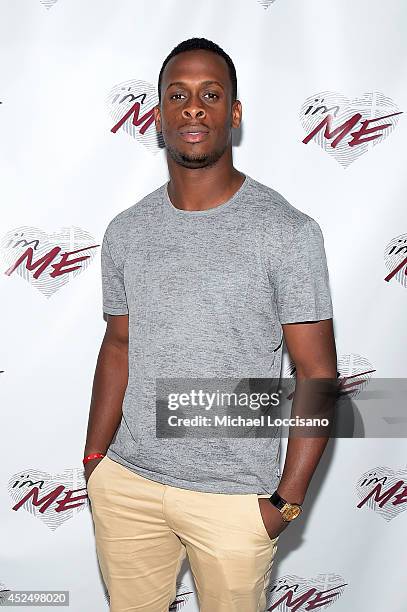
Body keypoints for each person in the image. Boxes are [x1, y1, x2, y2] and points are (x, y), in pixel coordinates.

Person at [83, 37, 337, 612]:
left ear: (234, 113)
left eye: (211, 94)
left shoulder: (288, 233)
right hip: (128, 487)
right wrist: (96, 461)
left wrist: (287, 501)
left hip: (233, 502)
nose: (194, 107)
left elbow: (317, 373)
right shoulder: (127, 230)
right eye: (179, 95)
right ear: (159, 116)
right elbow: (118, 344)